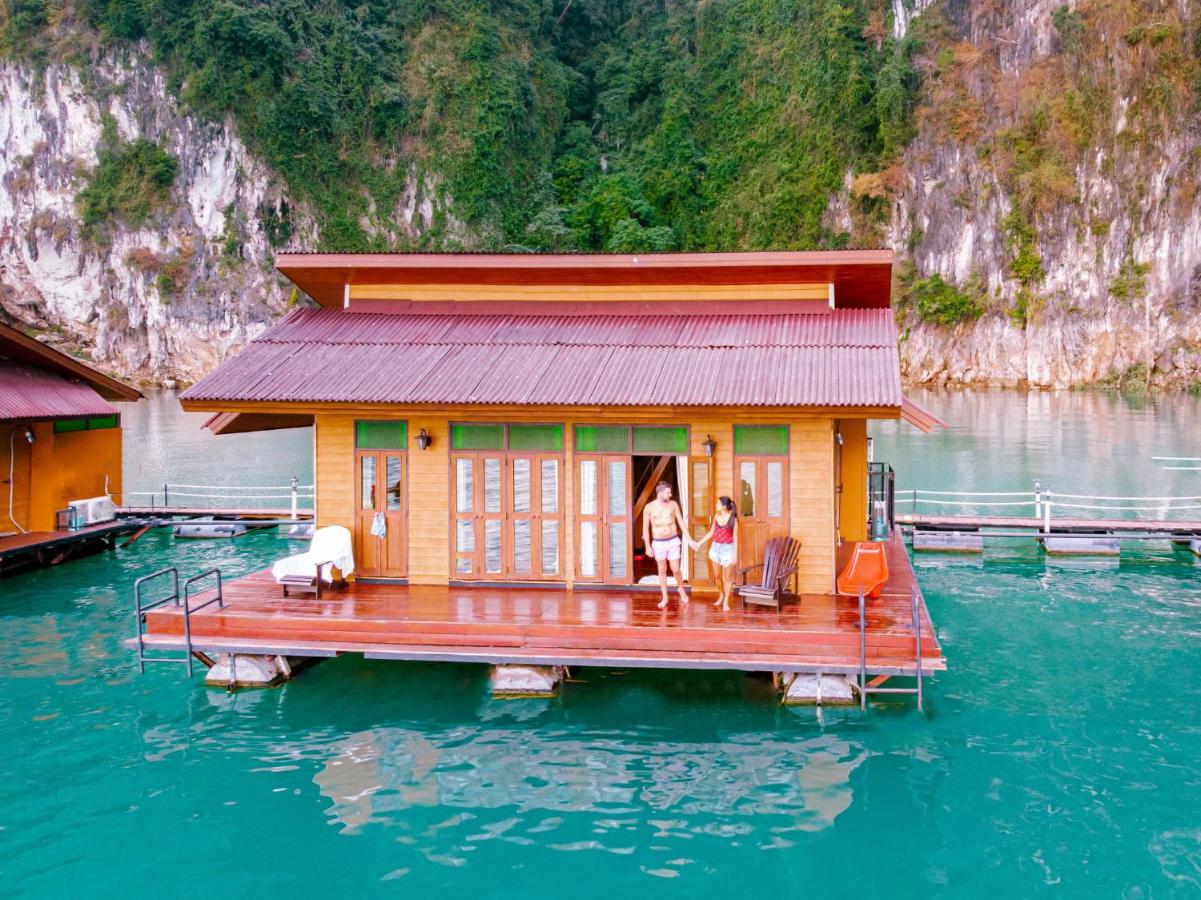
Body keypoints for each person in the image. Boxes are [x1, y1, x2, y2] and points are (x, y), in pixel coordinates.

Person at [642, 480, 690, 609]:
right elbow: (645, 529)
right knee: (662, 570)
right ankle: (665, 596)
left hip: (673, 540)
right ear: (660, 493)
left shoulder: (673, 505)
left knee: (675, 569)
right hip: (658, 542)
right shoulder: (649, 508)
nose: (670, 495)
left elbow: (681, 523)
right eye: (668, 493)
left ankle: (681, 588)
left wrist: (689, 539)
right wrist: (647, 546)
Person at [693, 496, 739, 611]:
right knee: (717, 576)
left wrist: (735, 555)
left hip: (728, 549)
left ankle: (726, 601)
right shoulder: (716, 516)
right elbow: (711, 533)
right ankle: (721, 594)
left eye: (718, 504)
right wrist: (699, 543)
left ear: (724, 506)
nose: (716, 505)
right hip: (716, 548)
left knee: (727, 577)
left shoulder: (733, 519)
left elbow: (735, 537)